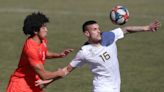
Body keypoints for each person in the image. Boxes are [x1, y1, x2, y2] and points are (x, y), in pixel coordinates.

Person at [36, 20, 160, 92]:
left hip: (115, 88)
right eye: (94, 29)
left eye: (98, 28)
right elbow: (66, 70)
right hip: (102, 88)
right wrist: (49, 80)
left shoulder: (108, 36)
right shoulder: (85, 52)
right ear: (86, 33)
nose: (98, 31)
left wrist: (147, 28)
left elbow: (126, 29)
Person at [6, 12, 73, 92]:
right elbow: (44, 76)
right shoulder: (31, 49)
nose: (46, 30)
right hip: (20, 86)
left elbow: (43, 53)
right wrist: (59, 73)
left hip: (33, 83)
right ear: (35, 31)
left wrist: (59, 55)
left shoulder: (41, 40)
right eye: (43, 28)